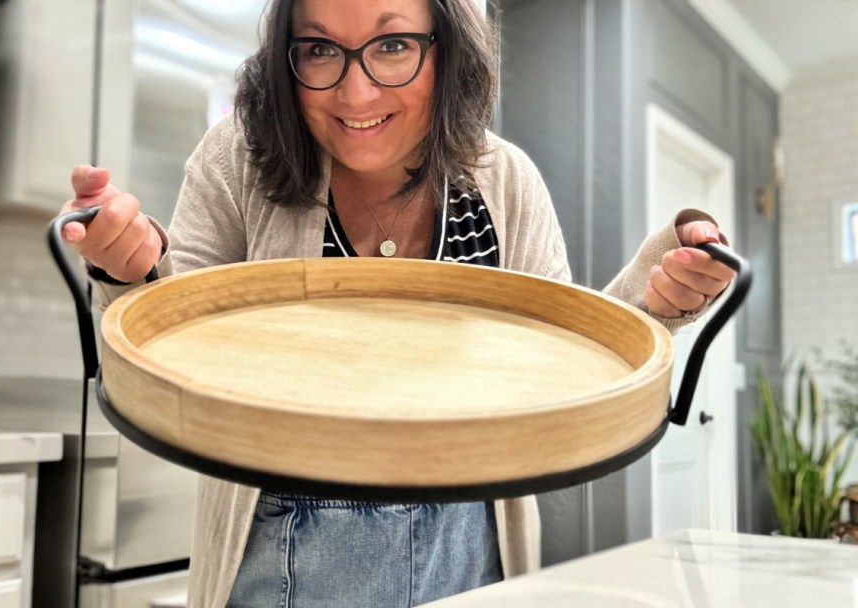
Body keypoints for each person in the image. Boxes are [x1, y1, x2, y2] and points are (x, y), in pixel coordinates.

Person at [59, 0, 736, 605]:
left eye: (391, 45)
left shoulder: (506, 183)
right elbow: (172, 326)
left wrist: (653, 300)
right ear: (285, 56)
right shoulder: (238, 159)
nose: (354, 93)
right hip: (275, 553)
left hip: (472, 551)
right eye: (320, 48)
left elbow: (563, 360)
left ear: (446, 48)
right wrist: (132, 264)